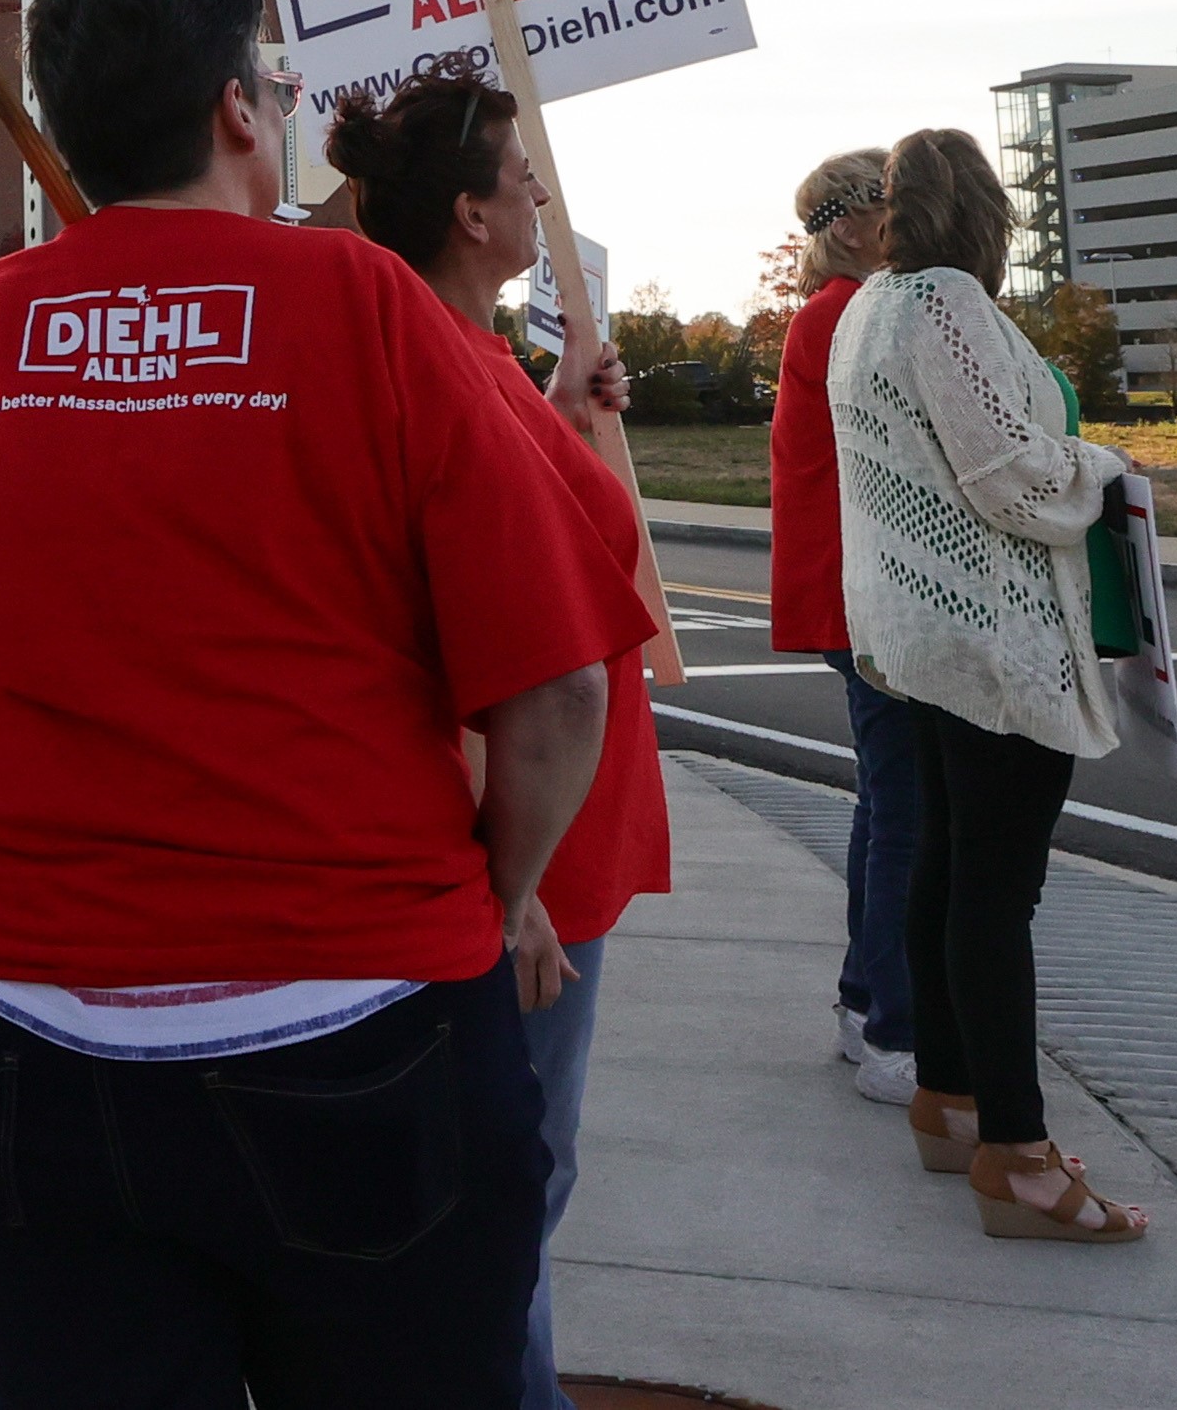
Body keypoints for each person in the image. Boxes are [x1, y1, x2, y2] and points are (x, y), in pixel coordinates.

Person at [0, 0, 638, 1408]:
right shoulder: (362, 301)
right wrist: (488, 887)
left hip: (1, 1043)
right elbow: (562, 692)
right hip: (352, 1029)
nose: (286, 114)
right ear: (236, 109)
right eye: (281, 90)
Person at [328, 72, 673, 1410]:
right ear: (472, 214)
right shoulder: (437, 371)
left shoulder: (468, 360)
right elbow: (427, 638)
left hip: (549, 848)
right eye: (517, 172)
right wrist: (502, 883)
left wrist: (568, 407)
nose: (538, 188)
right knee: (509, 1188)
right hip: (527, 862)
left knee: (519, 1178)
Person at [825, 126, 1146, 1243]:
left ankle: (949, 1100)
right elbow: (1007, 476)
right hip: (991, 638)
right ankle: (1017, 1154)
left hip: (915, 635)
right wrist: (1104, 471)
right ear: (987, 217)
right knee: (994, 895)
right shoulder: (946, 305)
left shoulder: (866, 307)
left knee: (945, 868)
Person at [767, 145, 919, 1101]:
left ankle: (867, 1002)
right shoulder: (847, 316)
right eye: (892, 206)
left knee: (886, 803)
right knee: (905, 811)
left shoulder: (830, 314)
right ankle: (892, 1029)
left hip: (849, 591)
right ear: (856, 222)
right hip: (867, 593)